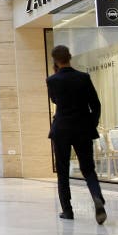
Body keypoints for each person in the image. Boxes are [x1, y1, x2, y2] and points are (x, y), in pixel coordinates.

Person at [46, 45, 107, 224]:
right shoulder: (84, 77)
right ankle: (96, 196)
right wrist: (91, 124)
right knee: (88, 168)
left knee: (63, 172)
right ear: (70, 57)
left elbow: (55, 100)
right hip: (82, 128)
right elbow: (96, 105)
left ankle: (68, 210)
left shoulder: (52, 80)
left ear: (55, 60)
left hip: (62, 129)